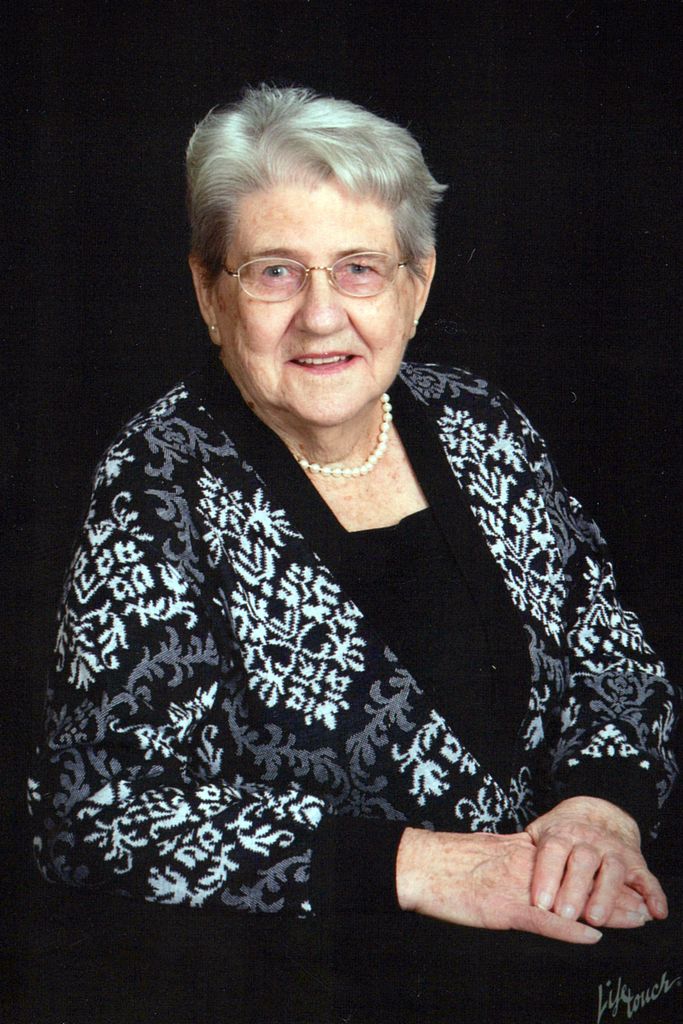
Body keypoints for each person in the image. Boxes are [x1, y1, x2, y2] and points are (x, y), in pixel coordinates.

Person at [30, 85, 678, 960]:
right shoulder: (157, 481)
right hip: (326, 978)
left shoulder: (479, 422)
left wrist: (600, 811)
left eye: (360, 268)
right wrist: (417, 866)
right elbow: (93, 812)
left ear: (417, 285)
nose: (321, 313)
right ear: (209, 294)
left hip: (566, 952)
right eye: (275, 271)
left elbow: (610, 651)